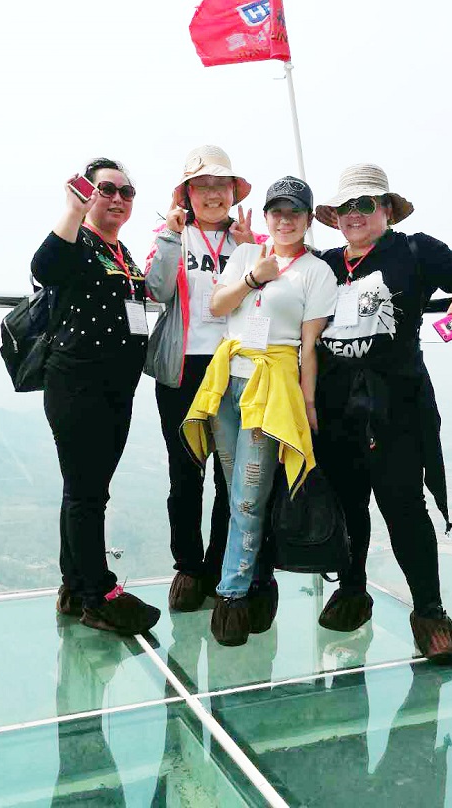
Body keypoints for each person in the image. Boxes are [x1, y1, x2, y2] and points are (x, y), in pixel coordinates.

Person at [313, 163, 452, 663]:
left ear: (386, 210)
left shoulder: (412, 251)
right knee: (347, 505)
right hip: (335, 408)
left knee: (404, 506)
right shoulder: (324, 264)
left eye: (364, 204)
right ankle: (352, 590)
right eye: (345, 207)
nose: (354, 214)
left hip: (396, 407)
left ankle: (429, 611)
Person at [182, 177, 338, 647]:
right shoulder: (247, 254)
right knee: (238, 493)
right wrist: (255, 276)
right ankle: (256, 581)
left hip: (272, 388)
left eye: (295, 212)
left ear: (308, 219)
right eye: (277, 212)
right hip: (226, 381)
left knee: (249, 497)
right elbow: (217, 304)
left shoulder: (317, 272)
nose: (285, 220)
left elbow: (309, 346)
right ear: (267, 216)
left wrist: (307, 404)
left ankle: (231, 597)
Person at [31, 158, 160, 636]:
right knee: (87, 493)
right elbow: (44, 268)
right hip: (78, 383)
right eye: (107, 189)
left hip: (115, 387)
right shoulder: (78, 241)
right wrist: (72, 210)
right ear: (88, 194)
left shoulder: (121, 251)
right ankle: (99, 595)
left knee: (86, 489)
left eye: (127, 192)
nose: (118, 199)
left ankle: (74, 585)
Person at [144, 145, 264, 612]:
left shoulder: (248, 240)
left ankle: (218, 563)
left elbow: (269, 298)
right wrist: (170, 237)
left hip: (234, 367)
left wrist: (251, 248)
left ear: (233, 192)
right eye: (202, 186)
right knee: (185, 470)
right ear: (186, 194)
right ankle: (189, 566)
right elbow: (156, 291)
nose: (212, 195)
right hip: (183, 369)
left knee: (230, 472)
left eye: (221, 186)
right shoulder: (173, 236)